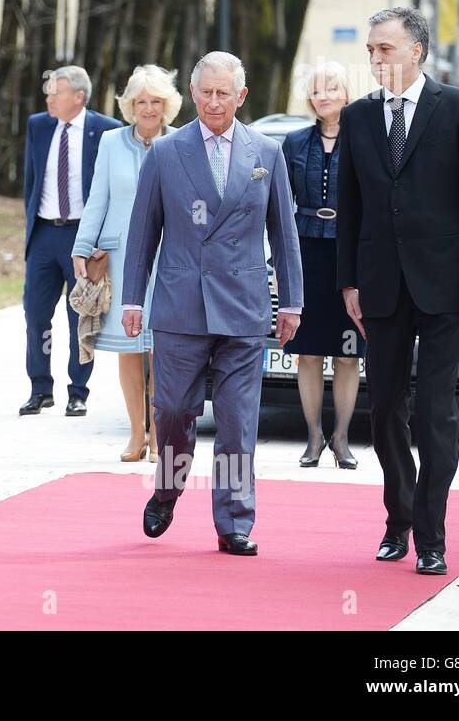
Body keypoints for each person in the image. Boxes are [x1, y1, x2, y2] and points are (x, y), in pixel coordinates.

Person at [336, 6, 459, 577]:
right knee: (383, 411)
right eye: (371, 50)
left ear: (417, 51)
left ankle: (431, 534)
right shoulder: (357, 118)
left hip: (447, 286)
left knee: (434, 412)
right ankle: (397, 518)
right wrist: (348, 281)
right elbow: (349, 207)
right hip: (381, 285)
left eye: (385, 49)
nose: (376, 59)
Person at [121, 51, 302, 556]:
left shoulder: (266, 153)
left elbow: (284, 235)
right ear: (193, 94)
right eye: (206, 92)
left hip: (243, 308)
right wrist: (133, 298)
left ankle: (233, 522)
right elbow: (143, 234)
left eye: (225, 93)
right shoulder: (165, 152)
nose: (214, 102)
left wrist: (291, 302)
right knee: (174, 410)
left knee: (238, 422)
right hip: (181, 305)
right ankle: (168, 487)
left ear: (241, 97)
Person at [71, 65, 179, 460]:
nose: (148, 108)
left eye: (155, 101)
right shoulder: (112, 142)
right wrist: (82, 247)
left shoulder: (181, 142)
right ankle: (137, 436)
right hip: (119, 257)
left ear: (167, 105)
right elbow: (98, 197)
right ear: (130, 106)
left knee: (162, 350)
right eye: (140, 101)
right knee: (129, 348)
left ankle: (161, 437)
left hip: (168, 258)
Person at [20, 66, 121, 416]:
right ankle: (39, 387)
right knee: (35, 314)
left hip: (84, 236)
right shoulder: (38, 126)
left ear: (78, 97)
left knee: (81, 316)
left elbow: (112, 191)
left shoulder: (106, 131)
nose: (48, 97)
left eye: (55, 92)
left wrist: (101, 240)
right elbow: (31, 183)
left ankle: (78, 391)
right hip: (45, 233)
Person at [282, 62, 364, 469]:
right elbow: (280, 204)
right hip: (305, 252)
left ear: (347, 93)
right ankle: (313, 436)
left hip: (350, 254)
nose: (323, 95)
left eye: (332, 87)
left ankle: (342, 437)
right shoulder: (294, 143)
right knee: (309, 352)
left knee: (349, 354)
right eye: (316, 90)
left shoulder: (364, 140)